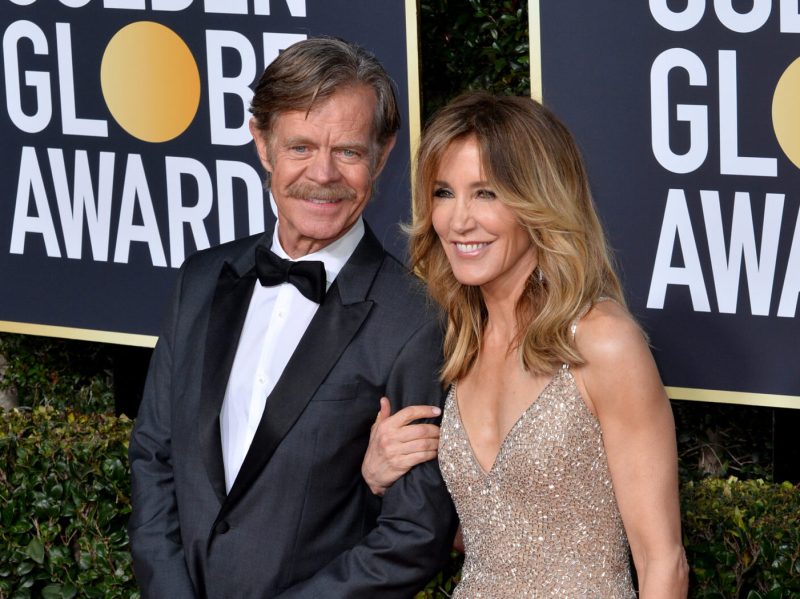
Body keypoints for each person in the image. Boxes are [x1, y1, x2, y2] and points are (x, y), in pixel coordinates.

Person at [128, 37, 457, 598]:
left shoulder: (415, 319)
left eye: (349, 152)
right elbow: (155, 456)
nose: (322, 174)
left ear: (381, 154)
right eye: (301, 146)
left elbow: (416, 532)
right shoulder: (200, 281)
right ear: (263, 143)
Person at [361, 92, 689, 597]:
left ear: (539, 200)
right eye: (445, 192)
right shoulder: (453, 342)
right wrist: (382, 479)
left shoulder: (603, 342)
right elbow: (497, 533)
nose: (459, 220)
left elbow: (663, 563)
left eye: (487, 193)